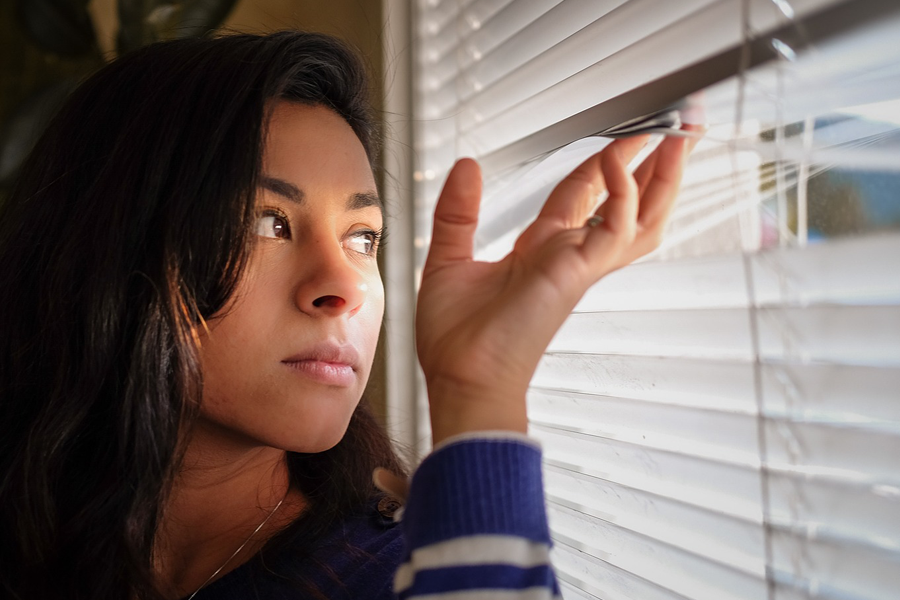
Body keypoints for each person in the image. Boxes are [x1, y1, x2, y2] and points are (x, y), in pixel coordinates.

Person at [0, 31, 696, 600]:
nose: (343, 286)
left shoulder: (386, 575)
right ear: (111, 241)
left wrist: (479, 391)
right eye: (268, 222)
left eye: (362, 237)